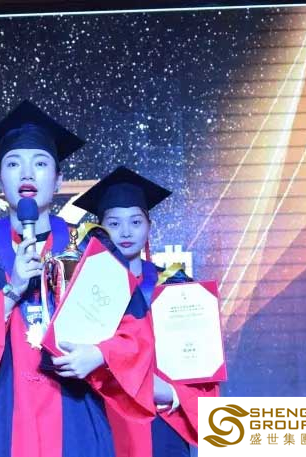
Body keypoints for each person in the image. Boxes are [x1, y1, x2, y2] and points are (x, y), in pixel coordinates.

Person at [0, 101, 157, 457]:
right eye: (13, 164)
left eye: (41, 163)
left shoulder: (93, 249)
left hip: (76, 414)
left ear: (59, 180)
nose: (27, 174)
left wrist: (100, 354)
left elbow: (136, 331)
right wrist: (12, 290)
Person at [74, 166, 221, 457]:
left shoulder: (177, 289)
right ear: (100, 229)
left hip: (162, 420)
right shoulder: (83, 289)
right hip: (104, 414)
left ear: (149, 226)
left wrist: (171, 393)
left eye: (135, 221)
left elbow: (201, 369)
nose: (126, 232)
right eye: (114, 223)